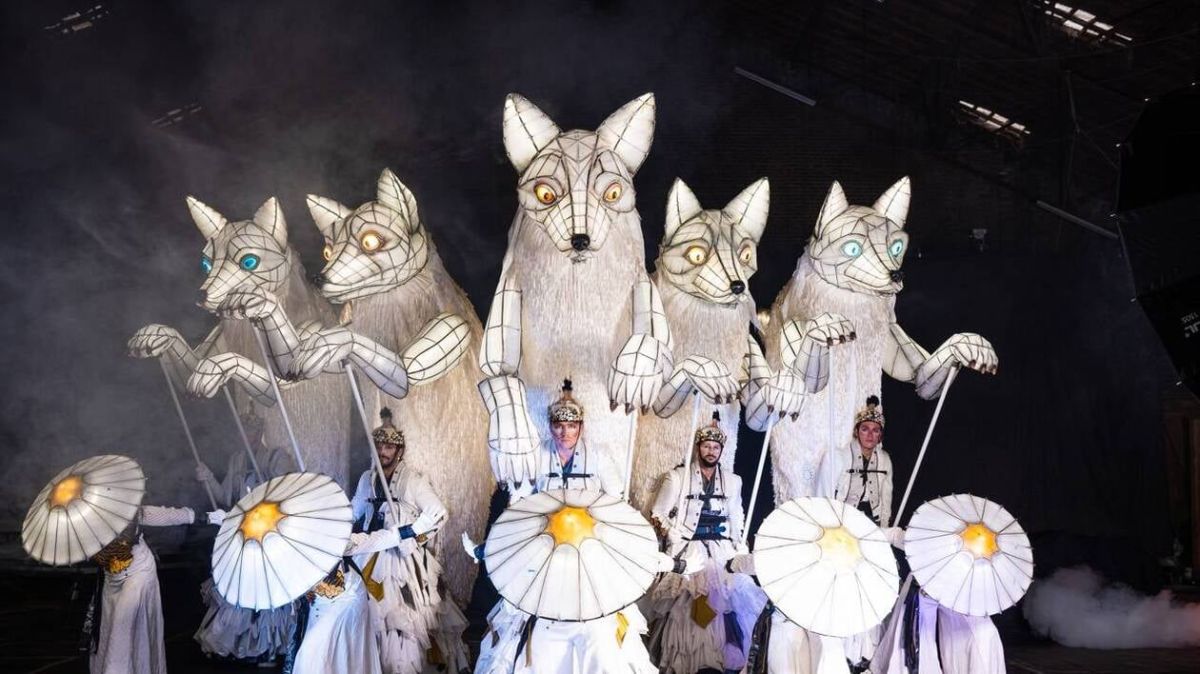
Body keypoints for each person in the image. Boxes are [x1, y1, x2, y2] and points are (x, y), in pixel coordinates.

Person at [467, 380, 696, 674]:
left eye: (572, 426)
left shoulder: (598, 456)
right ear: (550, 427)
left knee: (600, 629)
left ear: (581, 427)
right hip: (544, 547)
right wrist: (501, 541)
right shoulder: (537, 455)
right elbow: (519, 505)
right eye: (559, 426)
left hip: (589, 547)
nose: (565, 433)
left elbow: (616, 503)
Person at [349, 407, 470, 674]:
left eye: (389, 447)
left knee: (404, 620)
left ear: (399, 451)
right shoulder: (366, 480)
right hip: (369, 553)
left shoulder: (413, 482)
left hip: (403, 559)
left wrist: (415, 536)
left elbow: (439, 514)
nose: (383, 451)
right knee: (365, 612)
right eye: (379, 445)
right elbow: (354, 512)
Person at [646, 412, 768, 674]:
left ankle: (722, 661)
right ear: (698, 447)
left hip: (723, 550)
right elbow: (658, 513)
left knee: (728, 603)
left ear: (721, 451)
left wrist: (740, 552)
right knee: (693, 604)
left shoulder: (734, 482)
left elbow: (738, 519)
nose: (711, 452)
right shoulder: (677, 478)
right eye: (706, 446)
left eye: (715, 447)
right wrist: (675, 538)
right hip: (691, 549)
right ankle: (694, 663)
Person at [193, 408, 297, 664]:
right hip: (246, 533)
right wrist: (207, 478)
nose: (246, 436)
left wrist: (266, 483)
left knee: (267, 594)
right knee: (242, 591)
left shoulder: (277, 457)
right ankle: (244, 644)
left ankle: (270, 648)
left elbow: (289, 493)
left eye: (251, 431)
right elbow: (225, 497)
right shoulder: (237, 459)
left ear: (260, 432)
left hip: (272, 533)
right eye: (243, 432)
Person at [284, 516, 441, 674]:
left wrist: (412, 530)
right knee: (313, 655)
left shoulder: (336, 541)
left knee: (321, 652)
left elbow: (376, 540)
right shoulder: (289, 554)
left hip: (348, 599)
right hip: (319, 606)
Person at [86, 504, 224, 674]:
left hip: (139, 572)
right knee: (112, 627)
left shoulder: (126, 503)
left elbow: (159, 515)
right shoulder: (83, 518)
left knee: (122, 626)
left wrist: (205, 517)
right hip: (111, 578)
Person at [818, 395, 893, 528]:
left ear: (880, 436)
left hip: (872, 522)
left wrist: (884, 529)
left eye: (875, 430)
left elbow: (886, 499)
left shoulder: (885, 460)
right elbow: (823, 498)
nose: (870, 435)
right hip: (843, 522)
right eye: (865, 429)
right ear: (856, 432)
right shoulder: (836, 457)